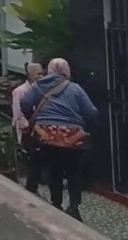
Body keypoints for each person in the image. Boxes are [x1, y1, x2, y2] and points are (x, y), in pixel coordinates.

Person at [21, 58, 97, 221]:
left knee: (54, 170)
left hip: (46, 136)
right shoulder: (75, 89)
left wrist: (33, 117)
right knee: (74, 172)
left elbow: (25, 102)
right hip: (72, 139)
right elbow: (91, 112)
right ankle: (74, 207)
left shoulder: (38, 86)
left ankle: (56, 204)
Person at [11, 63, 46, 193]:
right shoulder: (20, 91)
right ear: (29, 74)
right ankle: (32, 186)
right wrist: (29, 127)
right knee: (32, 159)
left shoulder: (44, 89)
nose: (41, 76)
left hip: (42, 129)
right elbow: (18, 115)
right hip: (29, 130)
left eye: (42, 73)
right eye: (38, 74)